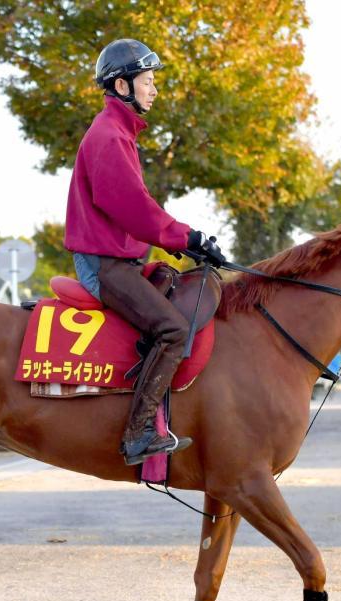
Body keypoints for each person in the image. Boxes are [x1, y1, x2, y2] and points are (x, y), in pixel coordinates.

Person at [64, 38, 226, 466]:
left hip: (119, 258)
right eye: (148, 81)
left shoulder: (120, 132)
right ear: (122, 86)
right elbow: (135, 208)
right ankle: (136, 436)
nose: (154, 90)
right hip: (105, 264)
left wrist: (189, 243)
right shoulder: (109, 136)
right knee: (174, 330)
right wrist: (187, 238)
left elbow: (138, 212)